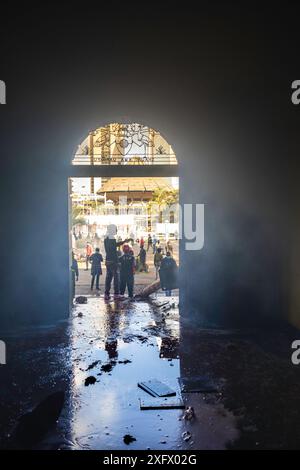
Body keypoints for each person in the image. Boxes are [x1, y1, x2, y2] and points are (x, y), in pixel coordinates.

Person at [104, 224, 132, 299]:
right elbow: (113, 248)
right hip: (113, 261)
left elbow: (113, 246)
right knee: (116, 278)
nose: (116, 230)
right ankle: (116, 294)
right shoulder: (112, 238)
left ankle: (107, 293)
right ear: (112, 230)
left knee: (108, 277)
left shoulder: (106, 238)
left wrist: (123, 242)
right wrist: (117, 260)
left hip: (108, 260)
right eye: (115, 229)